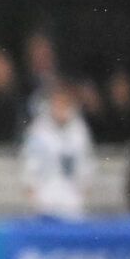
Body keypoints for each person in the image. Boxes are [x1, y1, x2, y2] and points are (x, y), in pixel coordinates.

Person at [20, 83, 95, 220]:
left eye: (64, 104)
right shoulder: (38, 130)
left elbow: (85, 162)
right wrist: (32, 190)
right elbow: (30, 163)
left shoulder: (79, 131)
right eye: (57, 103)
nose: (60, 108)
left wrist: (84, 187)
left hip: (72, 199)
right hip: (45, 197)